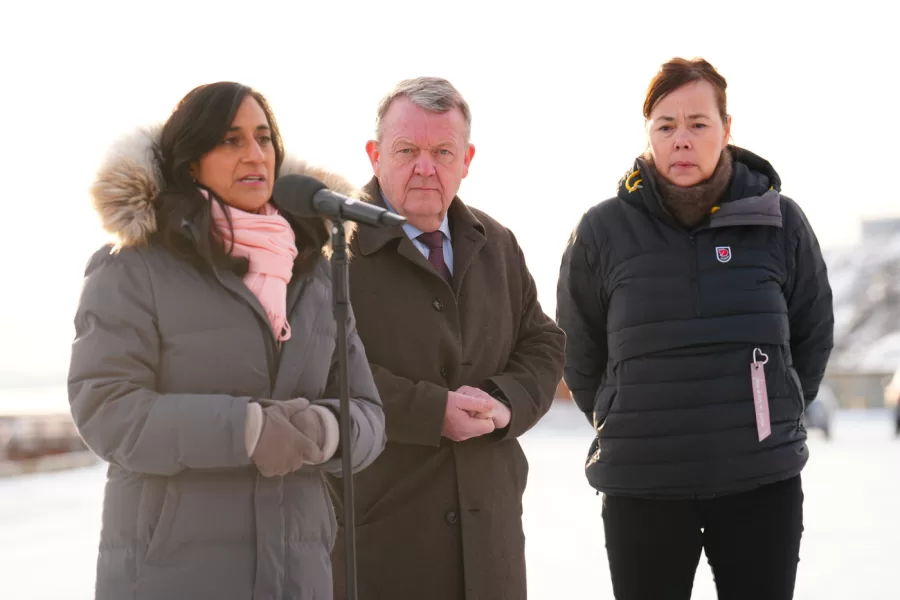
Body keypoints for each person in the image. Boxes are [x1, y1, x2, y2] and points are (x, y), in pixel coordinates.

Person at [68, 81, 386, 600]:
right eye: (230, 140)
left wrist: (325, 430)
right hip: (172, 576)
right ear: (192, 162)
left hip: (298, 575)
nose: (255, 154)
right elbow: (106, 410)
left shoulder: (317, 276)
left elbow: (369, 415)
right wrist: (246, 429)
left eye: (263, 138)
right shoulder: (132, 269)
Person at [557, 58, 834, 600]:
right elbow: (578, 347)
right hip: (643, 485)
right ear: (648, 133)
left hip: (760, 479)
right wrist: (618, 411)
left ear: (726, 129)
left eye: (698, 123)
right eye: (665, 125)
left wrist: (777, 409)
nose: (681, 139)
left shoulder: (780, 221)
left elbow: (813, 331)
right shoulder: (601, 230)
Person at [325, 76, 566, 600]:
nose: (425, 167)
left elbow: (543, 342)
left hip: (491, 547)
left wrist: (504, 402)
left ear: (466, 159)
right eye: (406, 150)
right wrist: (431, 412)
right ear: (374, 155)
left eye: (442, 151)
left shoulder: (497, 243)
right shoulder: (332, 249)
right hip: (381, 546)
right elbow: (323, 368)